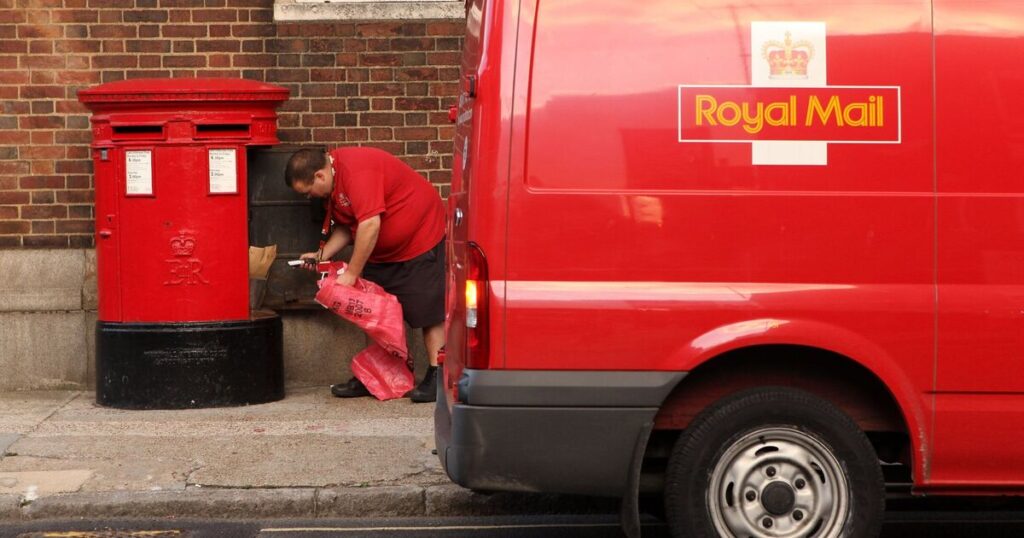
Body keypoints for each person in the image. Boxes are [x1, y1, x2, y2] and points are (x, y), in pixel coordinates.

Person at [285, 147, 446, 403]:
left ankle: (440, 376)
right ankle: (379, 374)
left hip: (421, 239)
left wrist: (352, 273)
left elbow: (370, 224)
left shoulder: (357, 172)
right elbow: (351, 227)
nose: (309, 198)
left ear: (319, 176)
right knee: (373, 312)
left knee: (428, 311)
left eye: (307, 192)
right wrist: (321, 255)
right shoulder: (334, 185)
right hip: (382, 252)